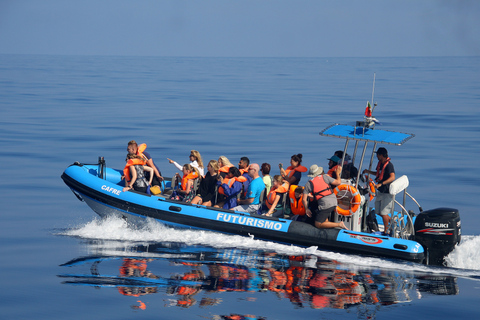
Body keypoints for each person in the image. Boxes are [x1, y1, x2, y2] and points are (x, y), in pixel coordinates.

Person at [303, 164, 347, 229]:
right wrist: (337, 173)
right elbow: (338, 182)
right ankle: (327, 226)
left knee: (318, 224)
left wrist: (306, 209)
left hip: (325, 205)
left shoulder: (308, 184)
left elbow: (304, 199)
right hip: (334, 201)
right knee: (324, 216)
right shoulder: (325, 177)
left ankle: (339, 224)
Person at [362, 147, 395, 231]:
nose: (376, 156)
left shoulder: (389, 165)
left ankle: (386, 231)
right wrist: (368, 171)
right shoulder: (380, 163)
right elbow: (378, 174)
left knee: (384, 213)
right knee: (378, 211)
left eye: (377, 154)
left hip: (386, 192)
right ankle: (391, 221)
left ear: (381, 155)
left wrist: (381, 184)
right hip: (381, 191)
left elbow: (392, 177)